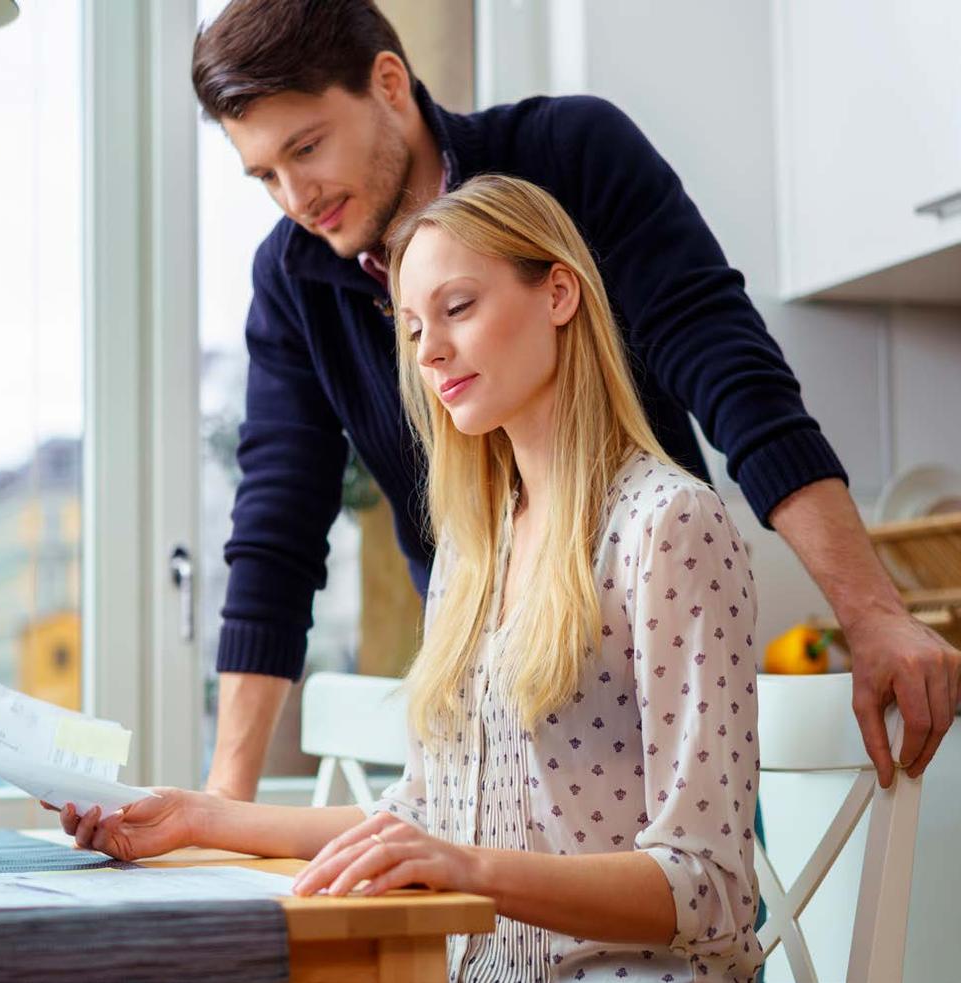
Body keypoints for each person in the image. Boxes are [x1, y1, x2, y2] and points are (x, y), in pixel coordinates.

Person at [195, 0, 959, 803]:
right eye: (264, 175)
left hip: (654, 697)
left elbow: (734, 374)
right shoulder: (292, 280)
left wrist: (872, 612)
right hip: (483, 723)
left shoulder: (571, 154)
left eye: (306, 149)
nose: (294, 198)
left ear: (388, 83)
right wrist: (223, 797)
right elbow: (276, 534)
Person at [60, 174, 766, 983]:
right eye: (413, 326)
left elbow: (709, 885)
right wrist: (200, 817)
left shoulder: (668, 525)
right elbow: (427, 816)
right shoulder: (474, 546)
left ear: (559, 293)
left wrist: (468, 869)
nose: (428, 351)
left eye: (458, 307)